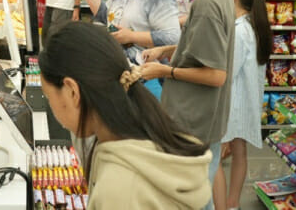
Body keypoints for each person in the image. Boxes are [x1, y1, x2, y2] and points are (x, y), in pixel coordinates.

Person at [39, 21, 212, 209]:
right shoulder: (147, 138)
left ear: (72, 91)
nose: (51, 105)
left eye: (49, 96)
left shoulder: (119, 192)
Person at [140, 0, 235, 210]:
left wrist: (164, 71)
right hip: (204, 120)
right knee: (197, 195)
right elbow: (205, 47)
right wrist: (168, 49)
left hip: (195, 122)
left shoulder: (207, 3)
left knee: (190, 200)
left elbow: (216, 74)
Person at [75, 0, 180, 99]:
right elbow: (106, 16)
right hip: (118, 73)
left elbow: (172, 37)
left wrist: (131, 36)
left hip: (144, 79)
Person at [213, 0, 272, 210]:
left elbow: (228, 71)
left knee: (214, 157)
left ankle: (220, 205)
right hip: (247, 101)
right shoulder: (256, 28)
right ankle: (233, 203)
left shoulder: (239, 31)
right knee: (240, 152)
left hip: (232, 102)